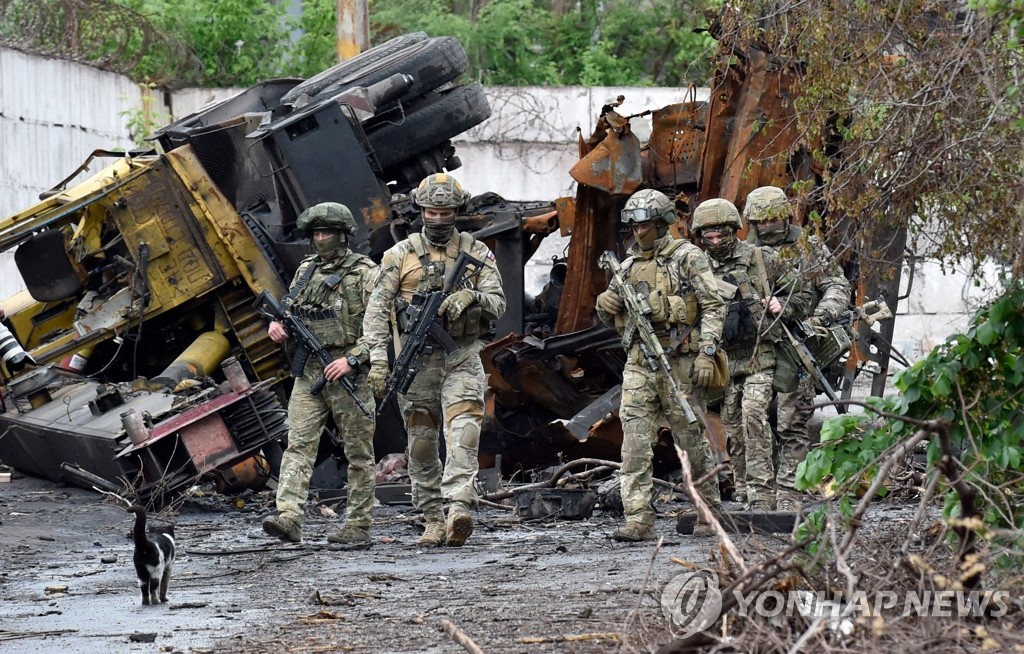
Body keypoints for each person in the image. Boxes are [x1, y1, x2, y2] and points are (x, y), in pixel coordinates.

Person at [362, 173, 506, 547]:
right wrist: (378, 361)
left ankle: (459, 506)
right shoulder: (399, 256)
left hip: (461, 356)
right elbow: (376, 312)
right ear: (420, 211)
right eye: (431, 211)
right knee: (421, 445)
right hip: (416, 363)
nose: (439, 219)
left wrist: (471, 298)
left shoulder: (477, 253)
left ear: (457, 212)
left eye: (446, 212)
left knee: (464, 433)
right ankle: (431, 517)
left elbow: (499, 303)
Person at [594, 189, 727, 541]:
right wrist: (606, 305)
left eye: (646, 225)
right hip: (639, 363)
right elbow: (614, 321)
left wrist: (707, 351)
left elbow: (713, 305)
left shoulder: (687, 257)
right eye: (634, 225)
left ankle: (708, 510)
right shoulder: (626, 267)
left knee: (691, 440)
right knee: (635, 443)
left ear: (663, 223)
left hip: (680, 360)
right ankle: (638, 519)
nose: (639, 232)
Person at [262, 202, 378, 545]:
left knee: (358, 453)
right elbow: (289, 311)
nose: (321, 239)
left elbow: (383, 328)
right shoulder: (305, 271)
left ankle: (358, 525)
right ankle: (289, 517)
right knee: (298, 445)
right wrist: (277, 325)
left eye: (327, 232)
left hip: (348, 374)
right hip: (310, 372)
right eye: (316, 234)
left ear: (343, 236)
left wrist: (354, 359)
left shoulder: (366, 274)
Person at [690, 198, 811, 512]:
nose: (715, 242)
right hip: (727, 361)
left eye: (721, 235)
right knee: (733, 426)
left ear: (733, 230)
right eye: (709, 237)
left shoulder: (761, 258)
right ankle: (743, 488)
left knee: (754, 414)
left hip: (761, 354)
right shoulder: (698, 266)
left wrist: (782, 305)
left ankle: (761, 492)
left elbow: (803, 292)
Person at [744, 186, 851, 510]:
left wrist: (822, 316)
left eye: (774, 219)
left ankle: (791, 494)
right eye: (761, 221)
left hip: (800, 343)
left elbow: (836, 284)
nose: (767, 226)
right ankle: (757, 494)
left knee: (792, 421)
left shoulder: (807, 247)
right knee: (752, 418)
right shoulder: (744, 252)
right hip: (758, 347)